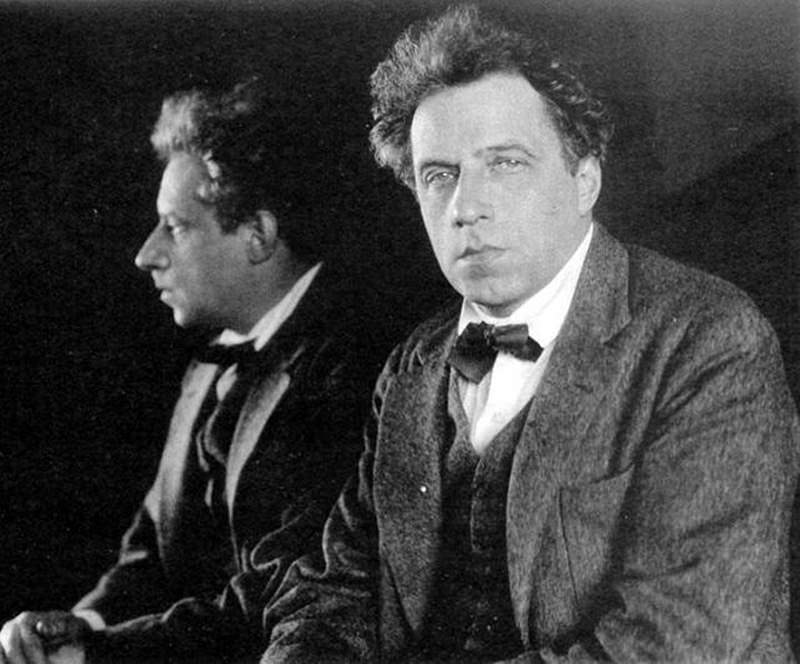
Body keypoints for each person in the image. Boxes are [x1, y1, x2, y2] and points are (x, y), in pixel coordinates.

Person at [260, 6, 799, 663]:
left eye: (506, 164)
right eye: (439, 175)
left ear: (584, 181)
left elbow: (678, 642)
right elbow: (337, 588)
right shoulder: (412, 366)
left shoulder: (708, 341)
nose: (466, 208)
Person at [0, 78, 387, 664]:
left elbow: (278, 595)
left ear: (258, 236)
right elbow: (149, 553)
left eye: (175, 227)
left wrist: (103, 653)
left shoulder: (353, 369)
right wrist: (80, 624)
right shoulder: (208, 366)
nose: (146, 254)